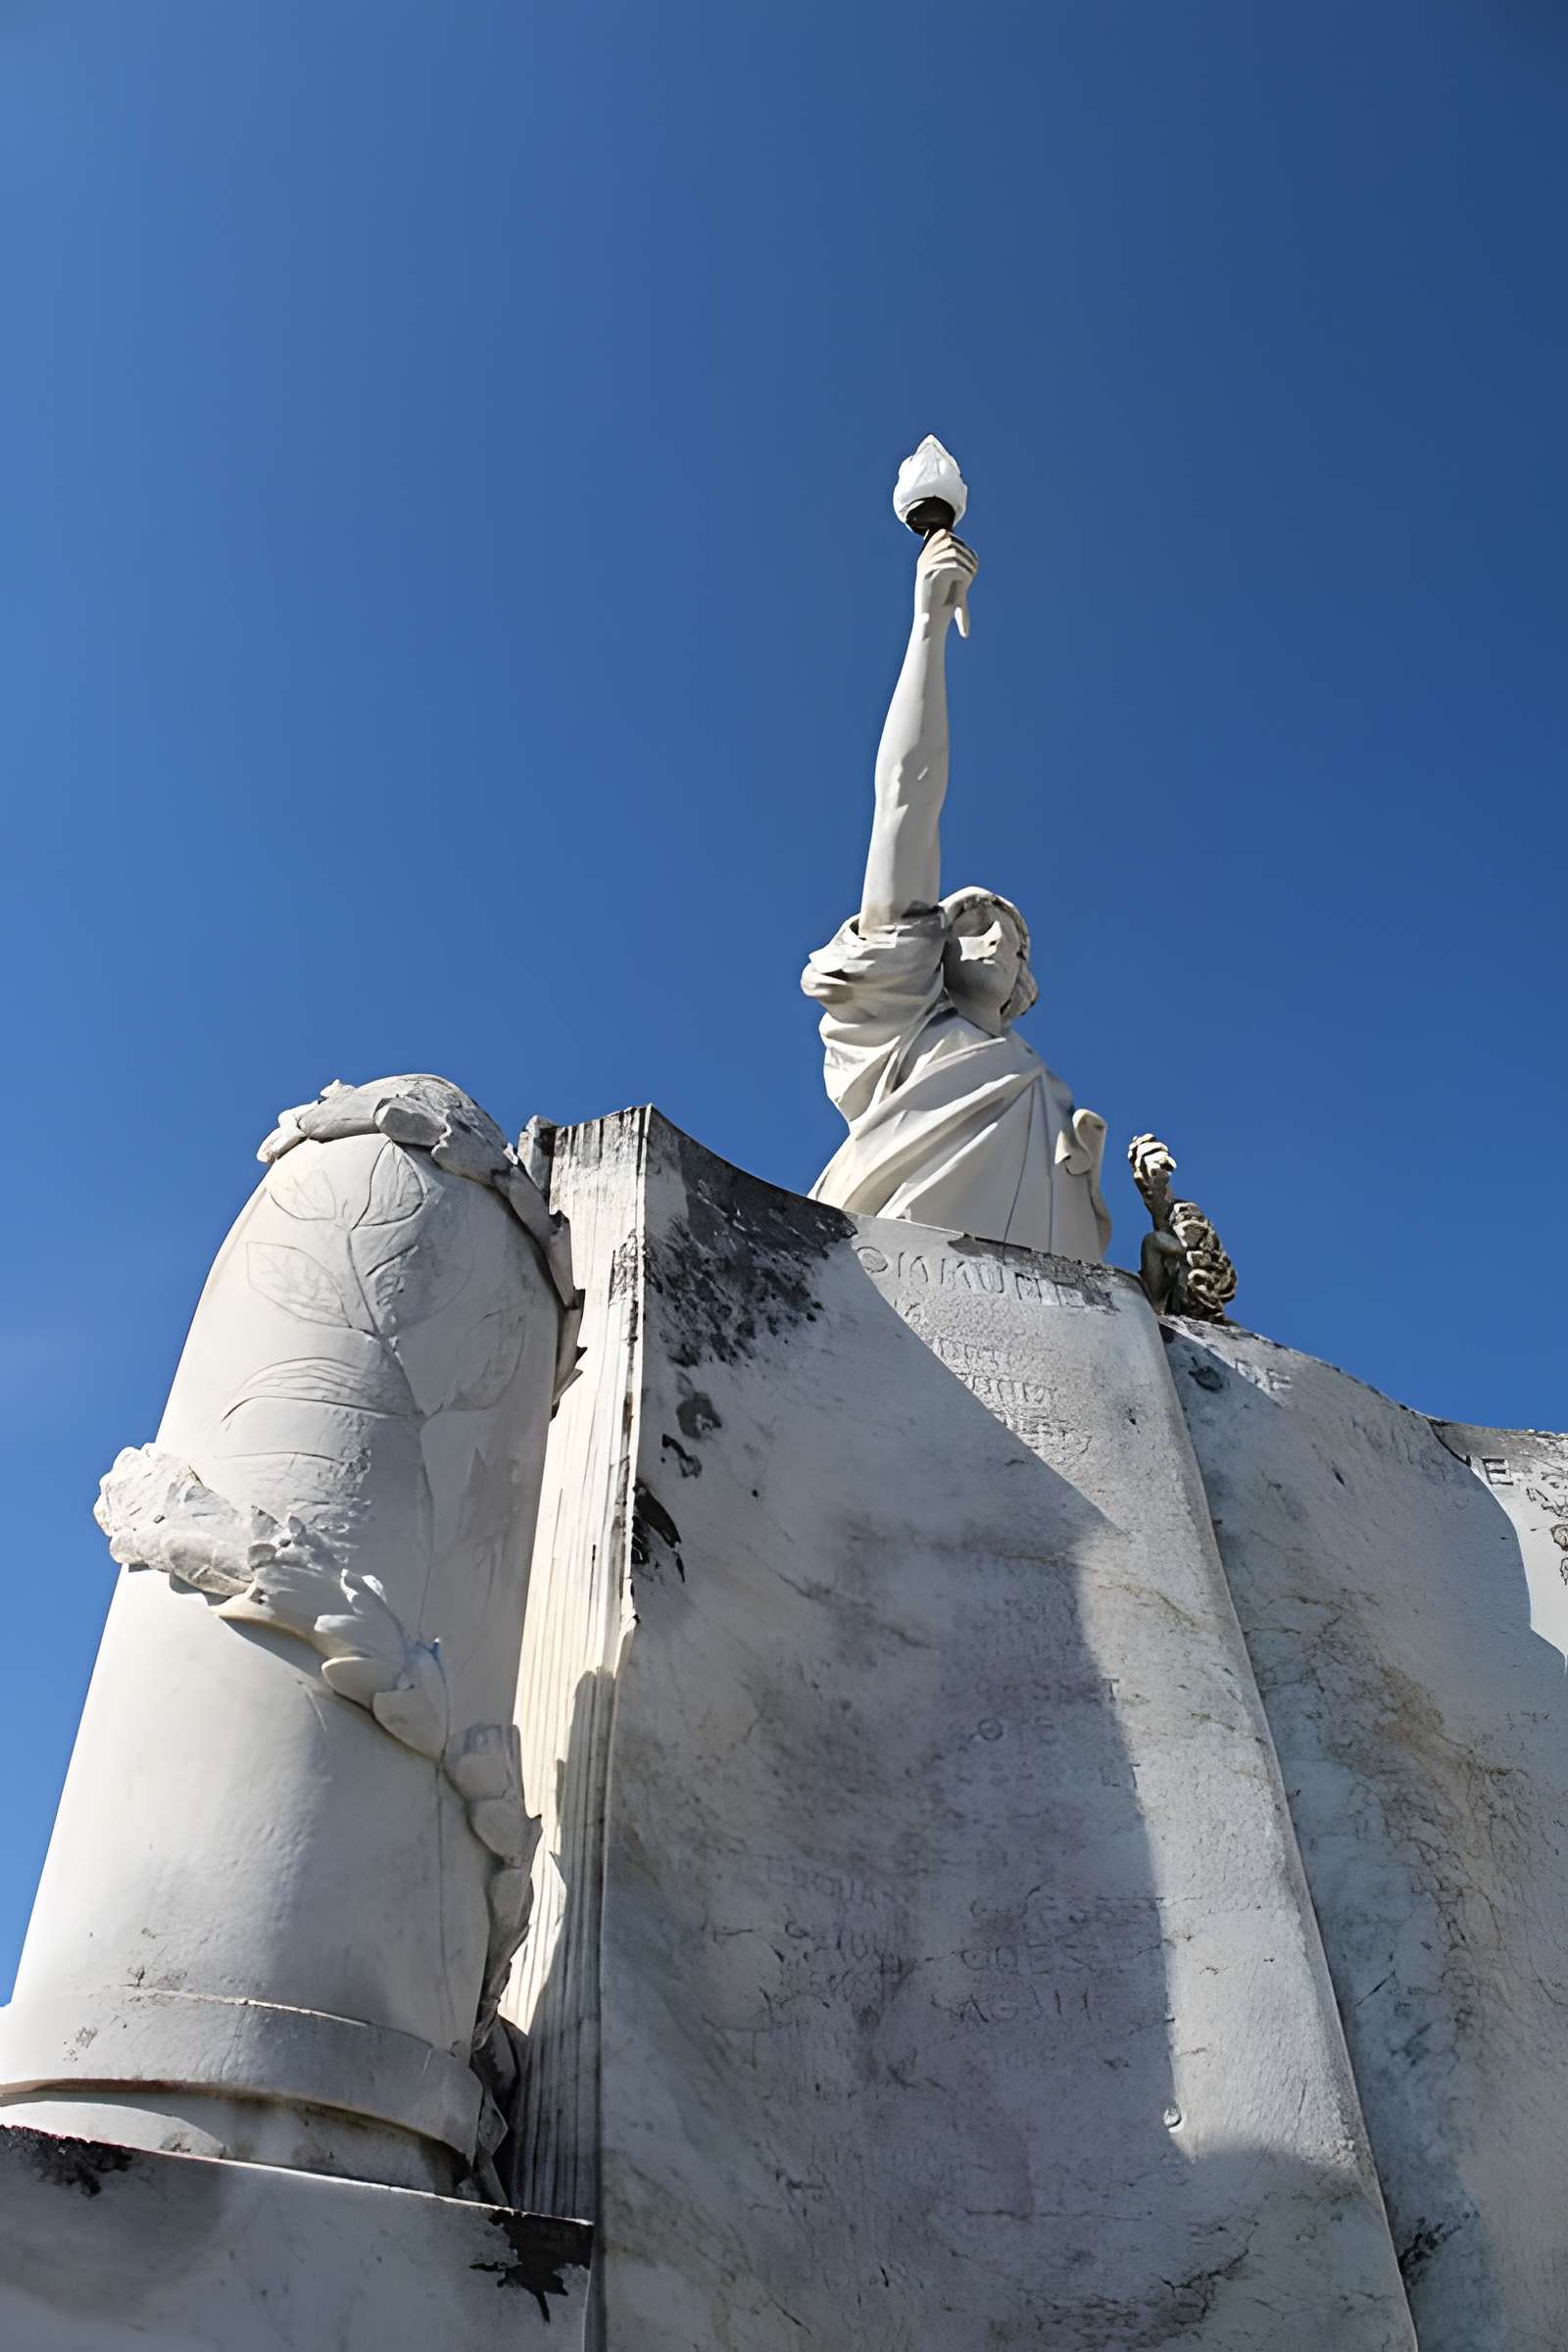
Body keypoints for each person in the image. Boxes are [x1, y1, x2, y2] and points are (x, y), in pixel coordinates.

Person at [803, 526, 1111, 1262]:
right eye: (976, 921)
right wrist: (927, 627)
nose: (1001, 937)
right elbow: (908, 796)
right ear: (936, 947)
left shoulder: (1050, 1096)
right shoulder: (898, 1025)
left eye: (1015, 936)